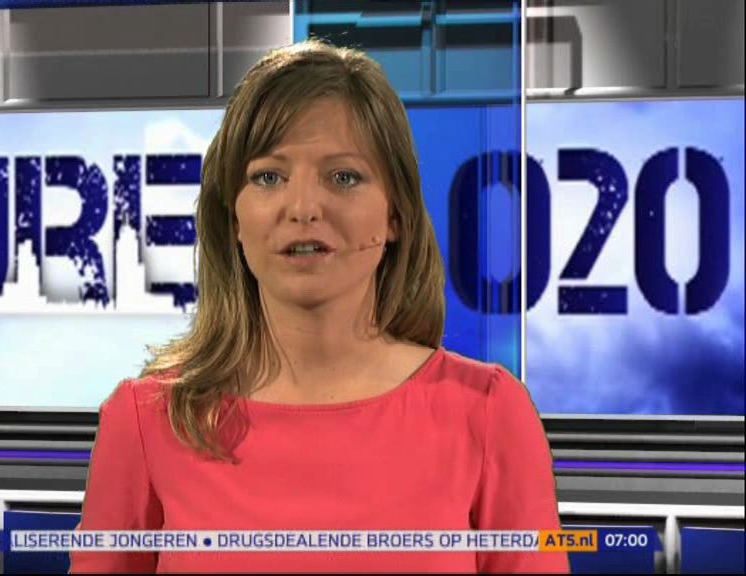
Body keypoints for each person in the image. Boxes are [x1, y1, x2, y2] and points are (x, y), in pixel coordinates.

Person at [69, 39, 568, 574]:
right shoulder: (147, 421)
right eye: (268, 177)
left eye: (344, 177)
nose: (303, 208)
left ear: (395, 215)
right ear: (234, 217)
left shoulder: (490, 415)